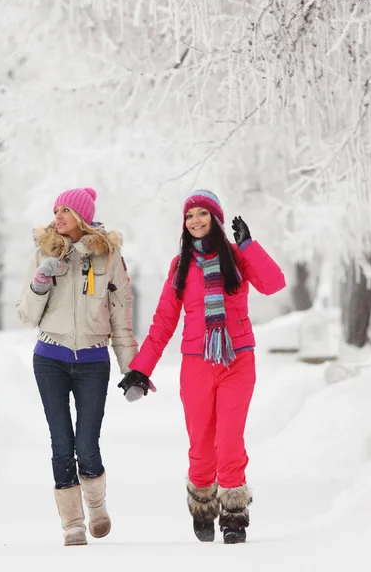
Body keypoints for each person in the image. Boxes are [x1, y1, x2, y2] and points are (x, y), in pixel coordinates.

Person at [118, 189, 285, 544]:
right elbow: (164, 321)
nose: (195, 221)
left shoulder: (238, 258)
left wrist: (251, 245)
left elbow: (274, 284)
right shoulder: (180, 266)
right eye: (190, 215)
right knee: (201, 445)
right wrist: (140, 369)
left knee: (229, 439)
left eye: (202, 214)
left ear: (215, 219)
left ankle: (234, 514)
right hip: (196, 364)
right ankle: (203, 505)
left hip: (237, 360)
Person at [16, 187, 139, 546]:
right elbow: (26, 315)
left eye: (65, 210)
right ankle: (72, 523)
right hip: (50, 358)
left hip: (92, 361)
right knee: (60, 442)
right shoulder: (43, 251)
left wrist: (132, 370)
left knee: (87, 444)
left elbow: (121, 313)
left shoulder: (108, 255)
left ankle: (96, 505)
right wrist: (41, 281)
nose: (57, 217)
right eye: (56, 210)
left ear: (82, 216)